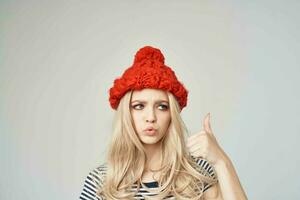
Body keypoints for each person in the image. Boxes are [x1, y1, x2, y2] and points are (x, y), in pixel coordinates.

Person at [79, 46, 247, 200]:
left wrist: (221, 161)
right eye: (139, 106)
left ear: (172, 114)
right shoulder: (100, 181)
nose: (151, 117)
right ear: (126, 113)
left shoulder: (197, 173)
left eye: (161, 106)